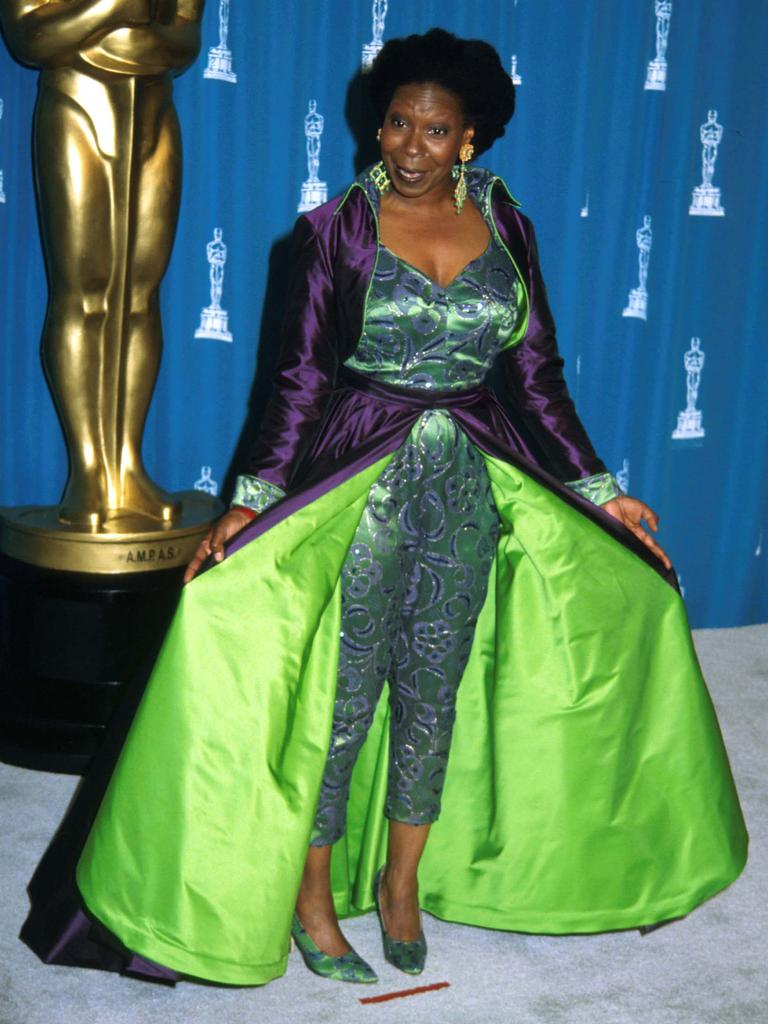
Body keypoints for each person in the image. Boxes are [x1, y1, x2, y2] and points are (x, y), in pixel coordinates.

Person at [22, 28, 747, 989]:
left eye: (434, 129)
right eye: (398, 122)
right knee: (345, 699)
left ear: (470, 137)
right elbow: (294, 382)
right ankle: (313, 892)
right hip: (359, 475)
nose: (409, 144)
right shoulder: (333, 232)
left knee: (434, 690)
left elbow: (535, 376)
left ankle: (402, 882)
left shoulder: (509, 226)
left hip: (470, 481)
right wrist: (248, 506)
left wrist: (600, 490)